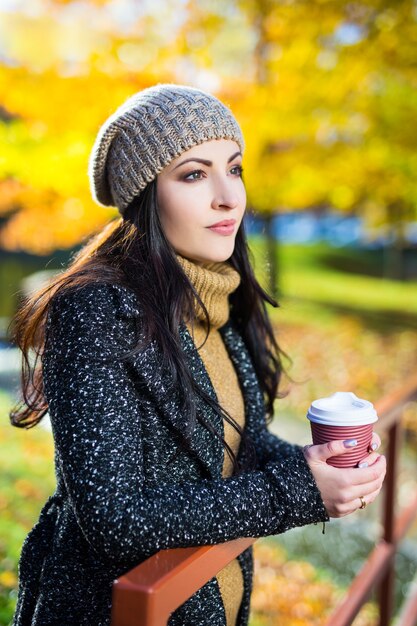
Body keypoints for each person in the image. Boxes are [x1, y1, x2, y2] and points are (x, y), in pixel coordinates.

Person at [10, 84, 386, 626]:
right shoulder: (94, 310)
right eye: (193, 174)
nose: (228, 196)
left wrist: (327, 470)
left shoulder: (214, 294)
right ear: (144, 196)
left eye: (233, 169)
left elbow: (241, 445)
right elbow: (114, 520)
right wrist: (298, 491)